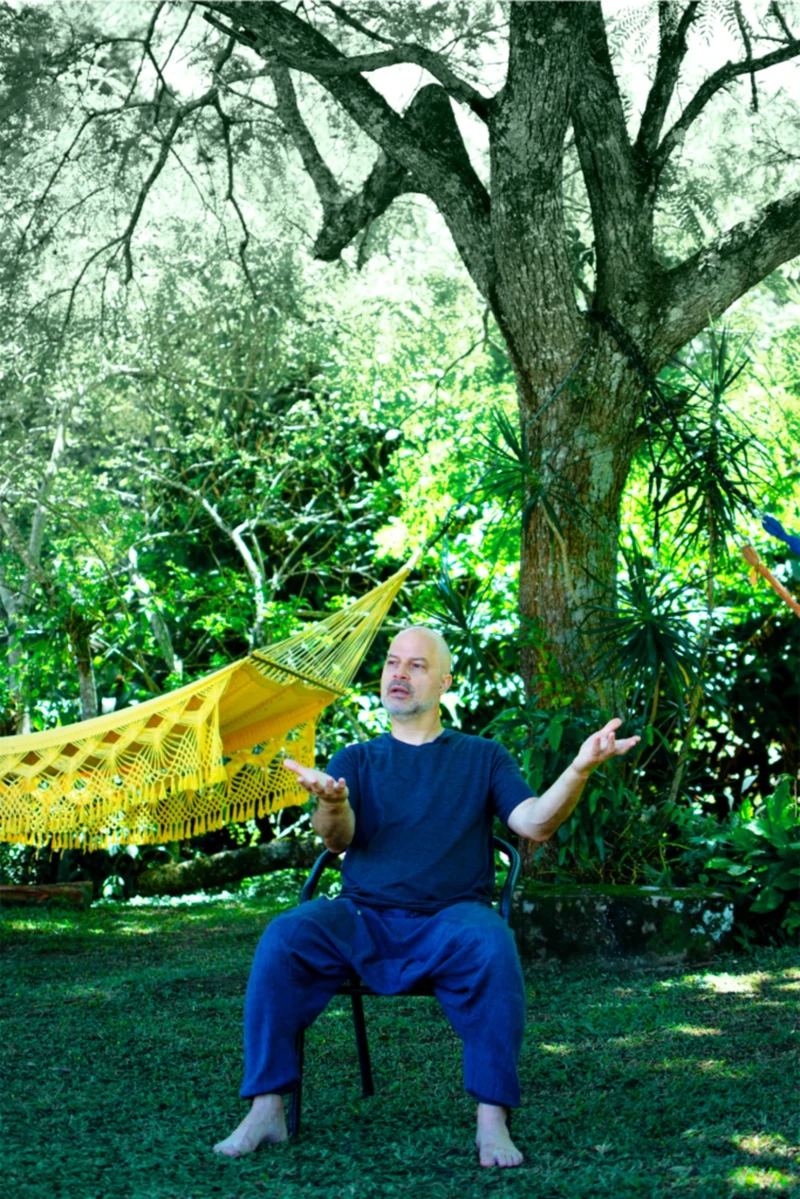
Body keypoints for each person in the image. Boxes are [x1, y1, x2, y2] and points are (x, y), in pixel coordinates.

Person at [214, 625, 639, 1167]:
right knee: (285, 935)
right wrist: (332, 804)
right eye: (393, 662)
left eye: (416, 665)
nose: (399, 673)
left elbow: (535, 824)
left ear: (444, 682)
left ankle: (492, 1122)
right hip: (361, 917)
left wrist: (578, 769)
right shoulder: (356, 759)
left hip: (451, 920)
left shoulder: (483, 756)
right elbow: (337, 840)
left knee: (492, 942)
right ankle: (266, 1110)